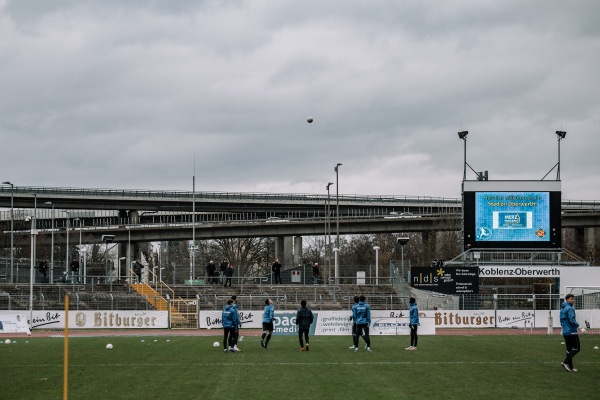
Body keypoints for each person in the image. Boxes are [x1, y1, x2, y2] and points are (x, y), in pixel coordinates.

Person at [560, 293, 586, 371]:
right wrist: (580, 327)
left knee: (569, 350)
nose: (573, 300)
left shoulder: (562, 309)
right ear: (567, 299)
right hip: (572, 332)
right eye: (571, 299)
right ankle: (565, 362)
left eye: (573, 299)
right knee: (576, 348)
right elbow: (572, 320)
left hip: (565, 332)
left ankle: (571, 367)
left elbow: (562, 321)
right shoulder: (570, 308)